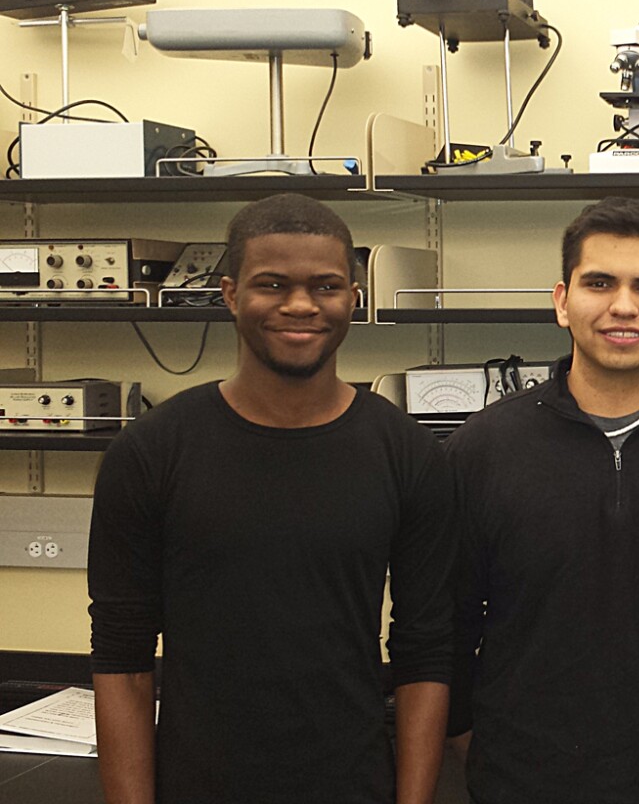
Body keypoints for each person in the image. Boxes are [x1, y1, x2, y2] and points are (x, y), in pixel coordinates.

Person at [88, 193, 456, 804]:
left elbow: (425, 652)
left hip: (352, 783)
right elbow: (122, 658)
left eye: (326, 286)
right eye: (272, 284)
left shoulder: (407, 454)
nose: (301, 305)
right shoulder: (151, 452)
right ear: (230, 294)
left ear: (354, 299)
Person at [446, 197, 639, 804]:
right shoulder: (481, 450)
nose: (624, 306)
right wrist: (468, 739)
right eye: (599, 283)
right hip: (521, 784)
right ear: (562, 302)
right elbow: (446, 629)